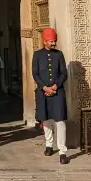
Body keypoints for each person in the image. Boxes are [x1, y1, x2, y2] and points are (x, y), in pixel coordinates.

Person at [33, 27, 68, 164]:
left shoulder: (59, 55)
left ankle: (62, 151)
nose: (53, 44)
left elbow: (63, 73)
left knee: (60, 121)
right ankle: (49, 144)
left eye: (54, 41)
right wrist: (44, 87)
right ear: (44, 41)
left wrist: (55, 86)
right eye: (51, 41)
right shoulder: (37, 55)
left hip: (57, 91)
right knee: (46, 120)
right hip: (43, 91)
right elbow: (35, 73)